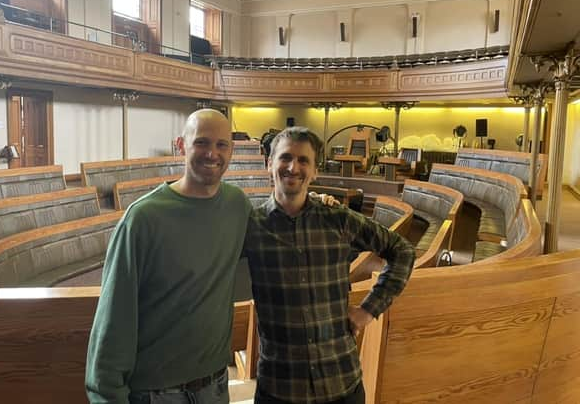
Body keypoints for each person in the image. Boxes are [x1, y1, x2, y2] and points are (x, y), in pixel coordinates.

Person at [85, 108, 251, 404]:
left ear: (232, 150)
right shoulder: (144, 218)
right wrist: (107, 395)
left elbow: (280, 238)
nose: (212, 153)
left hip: (215, 386)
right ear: (180, 145)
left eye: (221, 144)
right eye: (201, 142)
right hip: (155, 393)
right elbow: (114, 315)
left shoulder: (237, 206)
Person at [243, 127, 416, 404]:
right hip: (280, 386)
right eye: (285, 158)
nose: (293, 167)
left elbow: (402, 250)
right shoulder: (251, 226)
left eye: (303, 160)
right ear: (269, 164)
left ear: (315, 172)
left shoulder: (339, 219)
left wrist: (369, 310)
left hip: (341, 381)